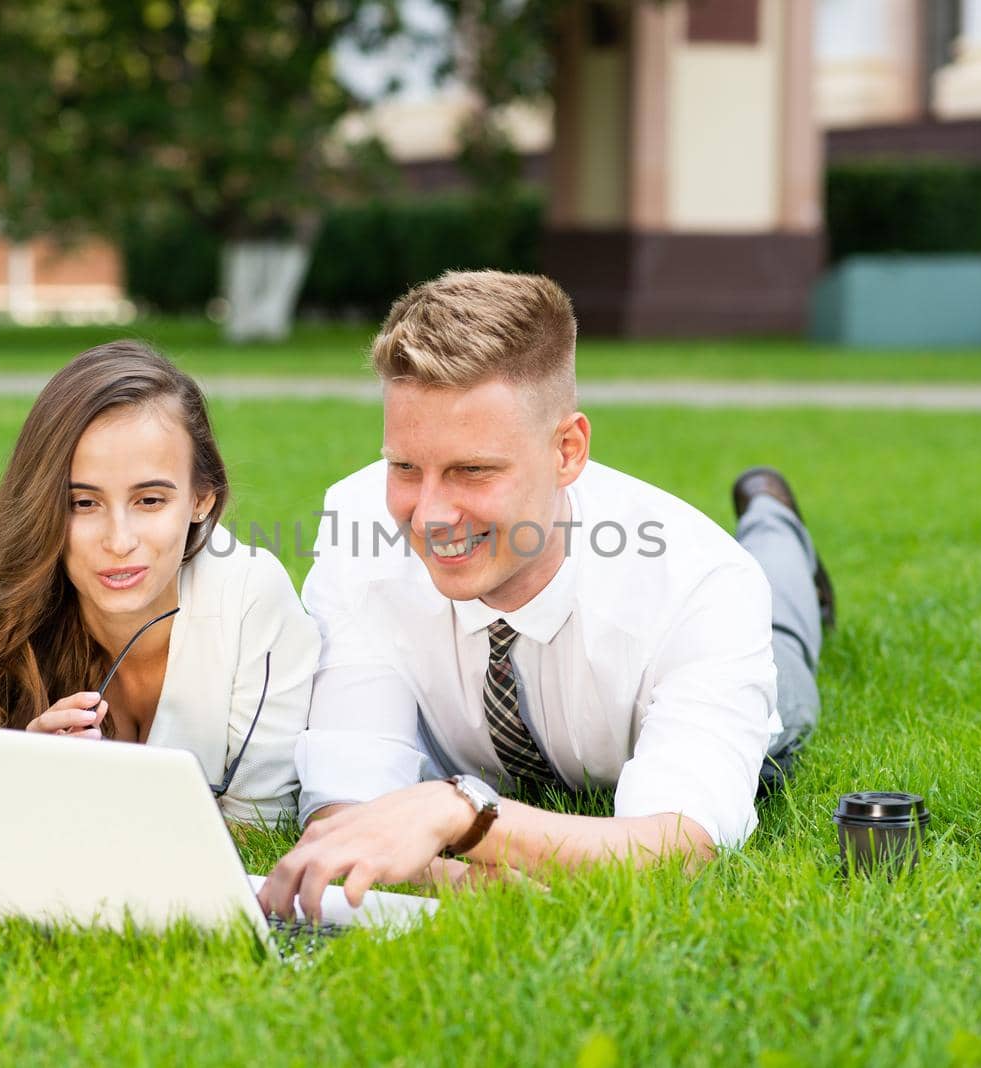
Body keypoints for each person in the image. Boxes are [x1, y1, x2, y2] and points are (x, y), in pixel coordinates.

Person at [258, 271, 832, 918]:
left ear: (567, 450)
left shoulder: (702, 585)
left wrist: (461, 816)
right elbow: (349, 816)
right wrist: (486, 884)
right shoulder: (359, 525)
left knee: (783, 637)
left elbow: (679, 848)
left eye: (472, 470)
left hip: (720, 632)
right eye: (405, 467)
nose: (429, 515)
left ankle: (773, 516)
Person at [0, 341, 320, 824]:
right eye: (83, 503)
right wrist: (25, 775)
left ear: (202, 497)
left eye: (150, 500)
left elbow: (260, 825)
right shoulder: (8, 582)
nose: (119, 541)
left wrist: (99, 814)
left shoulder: (250, 597)